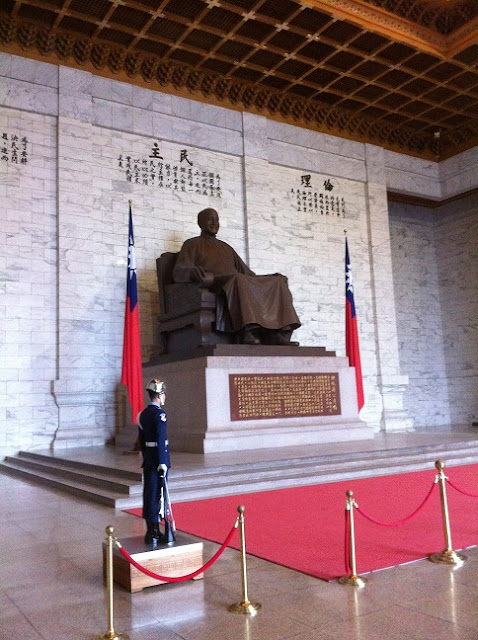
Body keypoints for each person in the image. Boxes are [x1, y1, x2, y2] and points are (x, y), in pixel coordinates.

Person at [172, 208, 301, 345]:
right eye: (210, 219)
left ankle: (278, 333)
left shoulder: (226, 248)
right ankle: (245, 331)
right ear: (200, 223)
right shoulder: (192, 244)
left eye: (217, 220)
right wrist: (192, 272)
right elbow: (178, 272)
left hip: (235, 281)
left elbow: (249, 275)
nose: (214, 223)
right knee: (237, 279)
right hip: (215, 283)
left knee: (278, 282)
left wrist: (271, 277)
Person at [137, 379, 173, 546]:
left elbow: (142, 441)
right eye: (163, 393)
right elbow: (160, 439)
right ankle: (156, 529)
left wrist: (148, 458)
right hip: (159, 461)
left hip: (149, 460)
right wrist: (162, 463)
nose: (164, 396)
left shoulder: (142, 415)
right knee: (159, 495)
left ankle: (151, 529)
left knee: (149, 494)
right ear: (159, 395)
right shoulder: (160, 415)